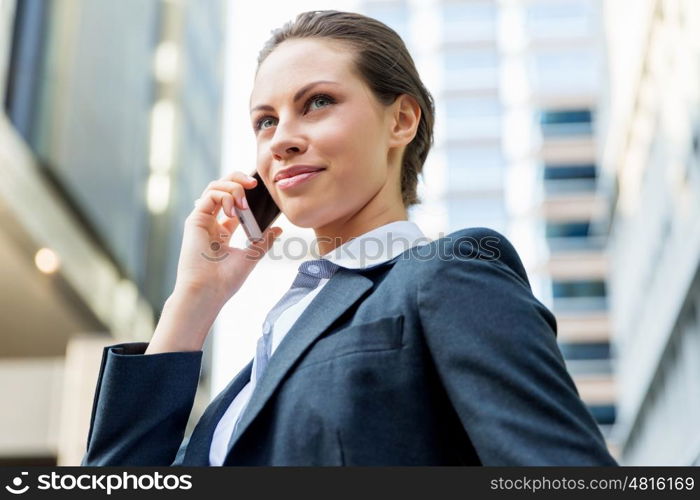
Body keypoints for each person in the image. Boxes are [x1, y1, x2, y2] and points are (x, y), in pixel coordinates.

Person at [81, 10, 617, 466]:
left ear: (401, 120)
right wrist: (194, 301)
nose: (283, 139)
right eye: (265, 121)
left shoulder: (451, 273)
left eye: (317, 102)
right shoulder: (269, 349)